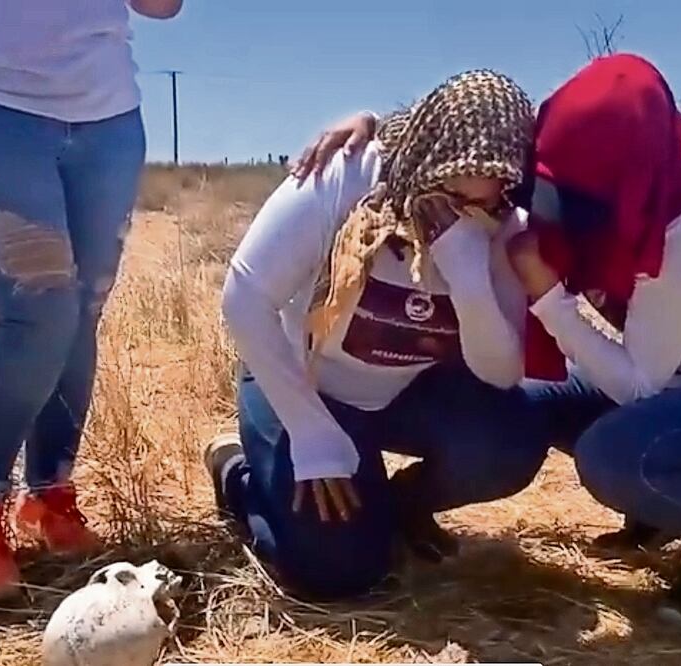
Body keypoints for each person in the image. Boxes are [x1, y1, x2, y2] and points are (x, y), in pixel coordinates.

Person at [292, 54, 681, 627]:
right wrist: (376, 132)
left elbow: (638, 384)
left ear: (610, 181)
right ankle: (655, 509)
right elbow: (477, 140)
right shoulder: (632, 167)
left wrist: (548, 298)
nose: (545, 196)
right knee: (522, 409)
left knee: (614, 453)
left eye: (567, 190)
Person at [207, 70, 554, 600]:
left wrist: (469, 280)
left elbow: (500, 372)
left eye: (482, 200)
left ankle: (396, 507)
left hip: (403, 392)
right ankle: (238, 475)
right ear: (427, 157)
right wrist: (311, 432)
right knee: (338, 572)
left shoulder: (503, 223)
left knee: (510, 442)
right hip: (303, 384)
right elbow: (245, 295)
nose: (459, 213)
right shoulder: (349, 174)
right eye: (448, 191)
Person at [0, 0, 183, 600]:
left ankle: (49, 495)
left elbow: (163, 7)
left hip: (108, 119)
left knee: (80, 315)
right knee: (38, 313)